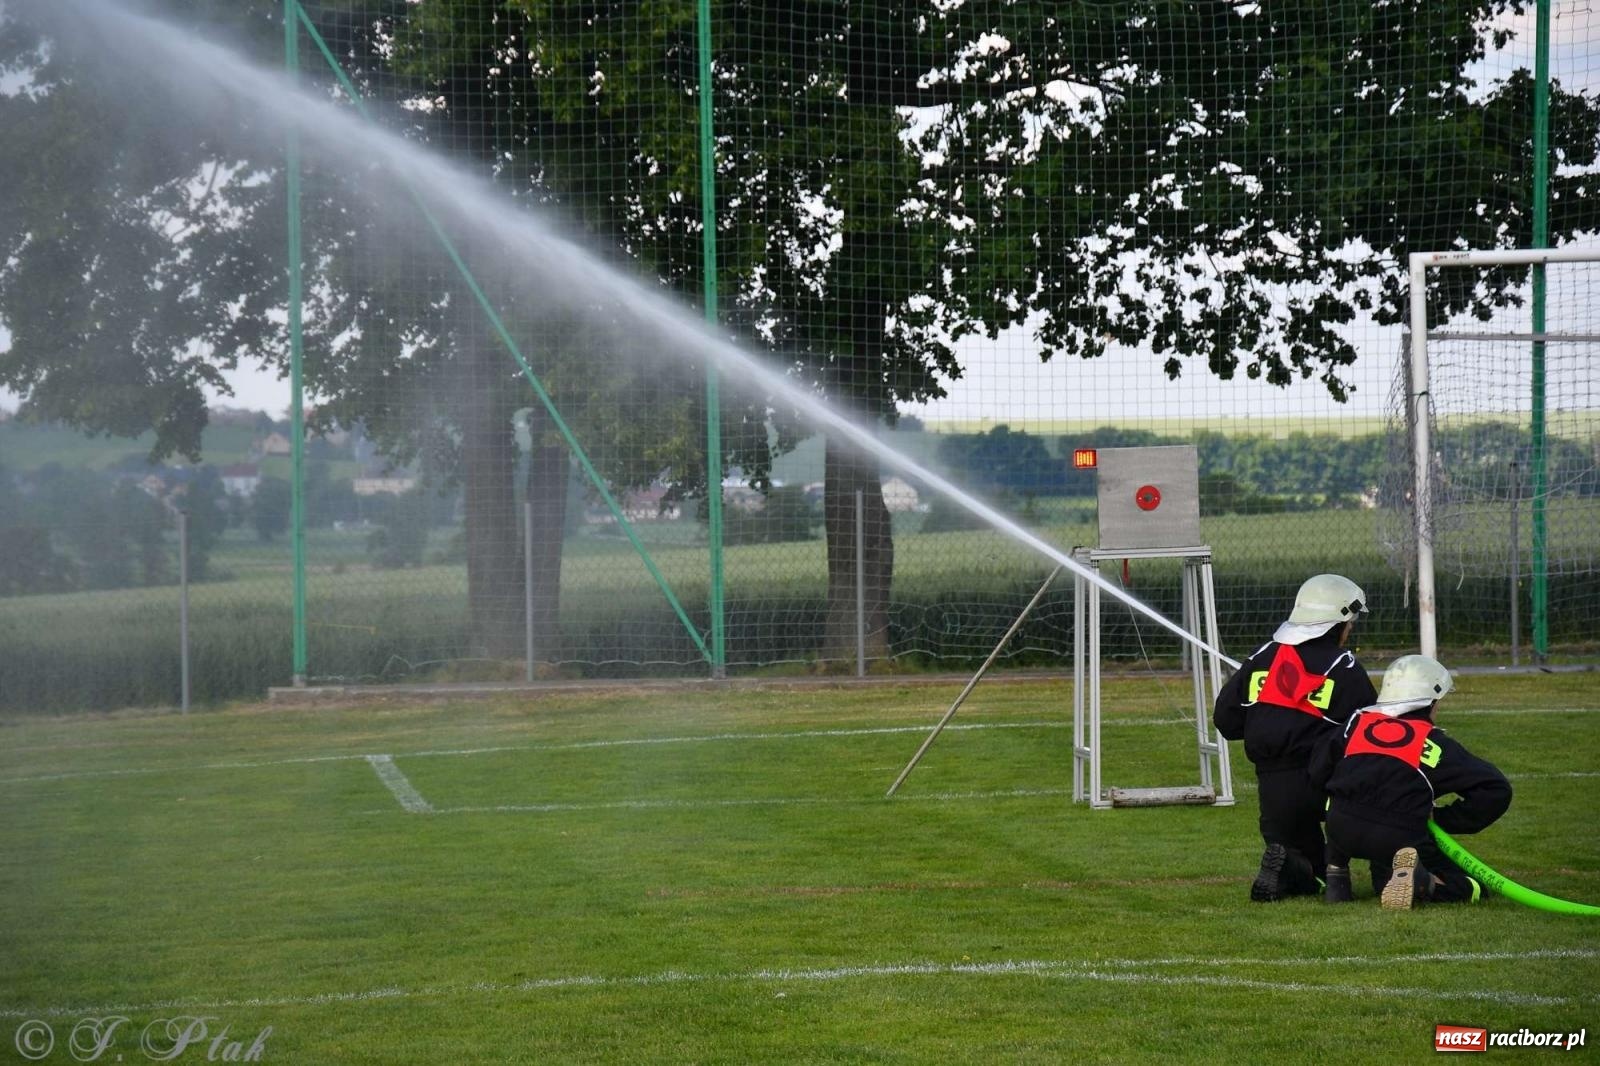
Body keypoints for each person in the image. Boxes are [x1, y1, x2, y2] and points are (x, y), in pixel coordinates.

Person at [1214, 574, 1378, 901]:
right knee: (1374, 821)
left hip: (1274, 793)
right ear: (1339, 624)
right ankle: (1349, 871)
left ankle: (1289, 864)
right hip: (1327, 786)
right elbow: (1370, 731)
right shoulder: (1343, 665)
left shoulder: (1263, 656)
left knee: (1300, 862)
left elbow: (1226, 721)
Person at [1309, 654, 1511, 908]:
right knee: (1474, 887)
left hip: (1340, 830)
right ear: (1432, 702)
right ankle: (1424, 882)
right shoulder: (1433, 744)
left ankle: (1337, 875)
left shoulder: (1355, 724)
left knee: (1379, 864)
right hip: (1396, 837)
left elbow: (1317, 768)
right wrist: (1442, 818)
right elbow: (1496, 790)